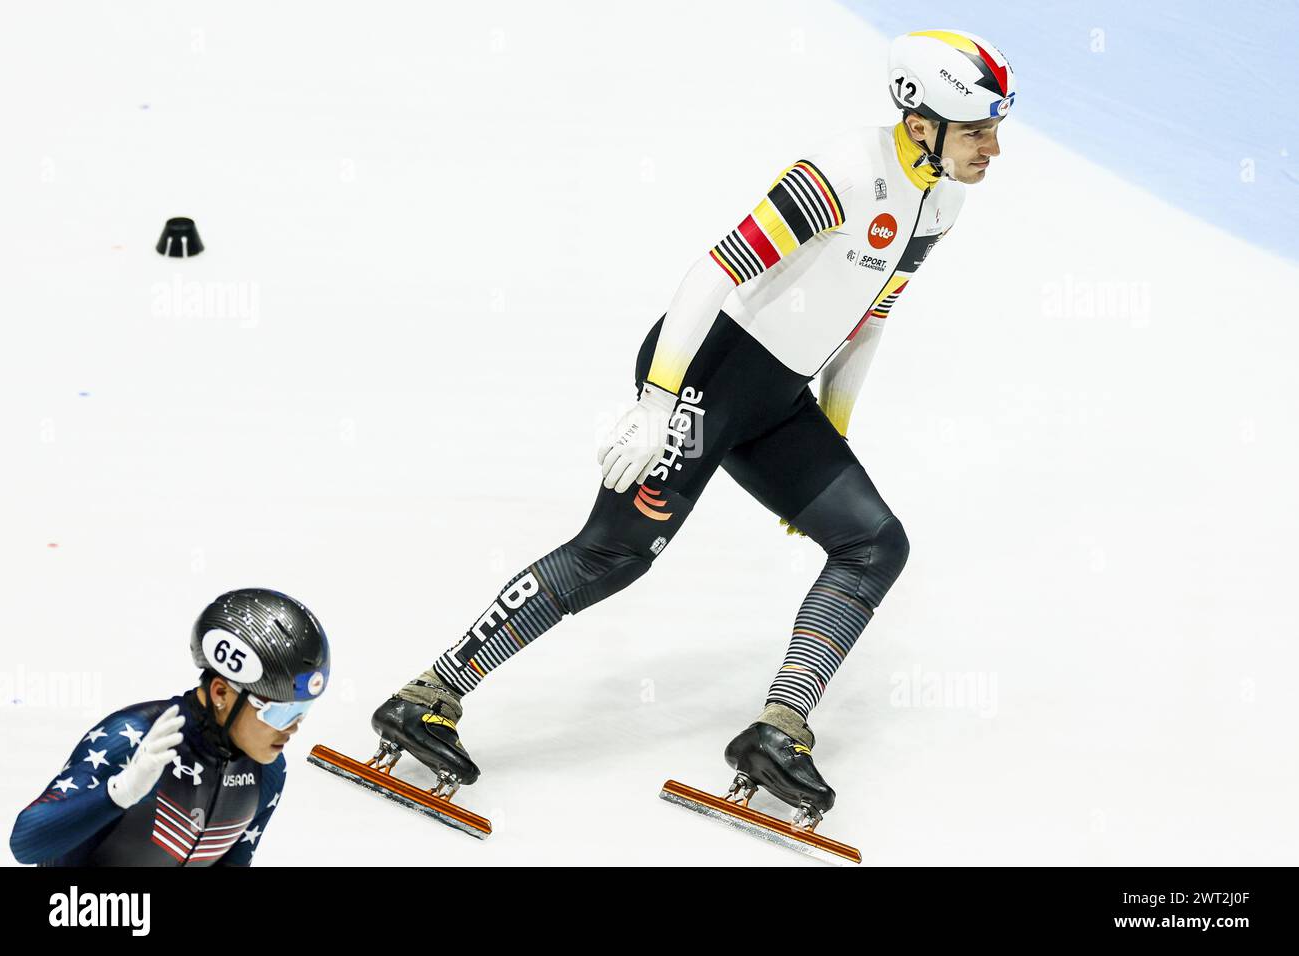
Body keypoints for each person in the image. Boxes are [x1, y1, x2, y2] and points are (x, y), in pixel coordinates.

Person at [370, 29, 1016, 827]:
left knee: (875, 544)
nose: (995, 148)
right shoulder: (846, 173)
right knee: (614, 553)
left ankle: (777, 733)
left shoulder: (942, 202)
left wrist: (833, 437)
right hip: (705, 374)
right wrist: (655, 400)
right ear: (923, 125)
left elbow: (868, 318)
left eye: (996, 128)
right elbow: (716, 269)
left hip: (779, 397)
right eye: (980, 130)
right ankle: (427, 696)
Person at [9, 588, 330, 866]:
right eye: (280, 712)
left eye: (303, 711)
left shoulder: (268, 772)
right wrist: (118, 794)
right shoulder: (134, 737)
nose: (293, 728)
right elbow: (25, 843)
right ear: (221, 693)